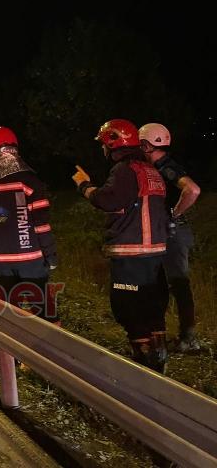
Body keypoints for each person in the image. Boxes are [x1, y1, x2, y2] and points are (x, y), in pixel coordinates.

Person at [73, 119, 169, 372]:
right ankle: (158, 354)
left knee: (127, 303)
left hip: (131, 251)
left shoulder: (124, 170)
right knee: (151, 303)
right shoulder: (149, 170)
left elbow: (108, 200)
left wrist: (84, 185)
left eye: (103, 144)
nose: (102, 150)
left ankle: (143, 362)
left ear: (112, 142)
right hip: (154, 252)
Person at [0, 127, 60, 321]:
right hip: (32, 261)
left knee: (8, 314)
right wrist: (51, 257)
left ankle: (11, 349)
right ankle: (52, 349)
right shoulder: (31, 180)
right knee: (45, 312)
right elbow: (42, 225)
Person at [139, 122, 202, 352]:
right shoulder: (162, 164)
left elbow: (192, 190)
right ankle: (165, 335)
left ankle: (188, 338)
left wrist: (174, 214)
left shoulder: (165, 166)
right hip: (172, 231)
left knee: (178, 283)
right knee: (165, 283)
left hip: (174, 232)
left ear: (146, 145)